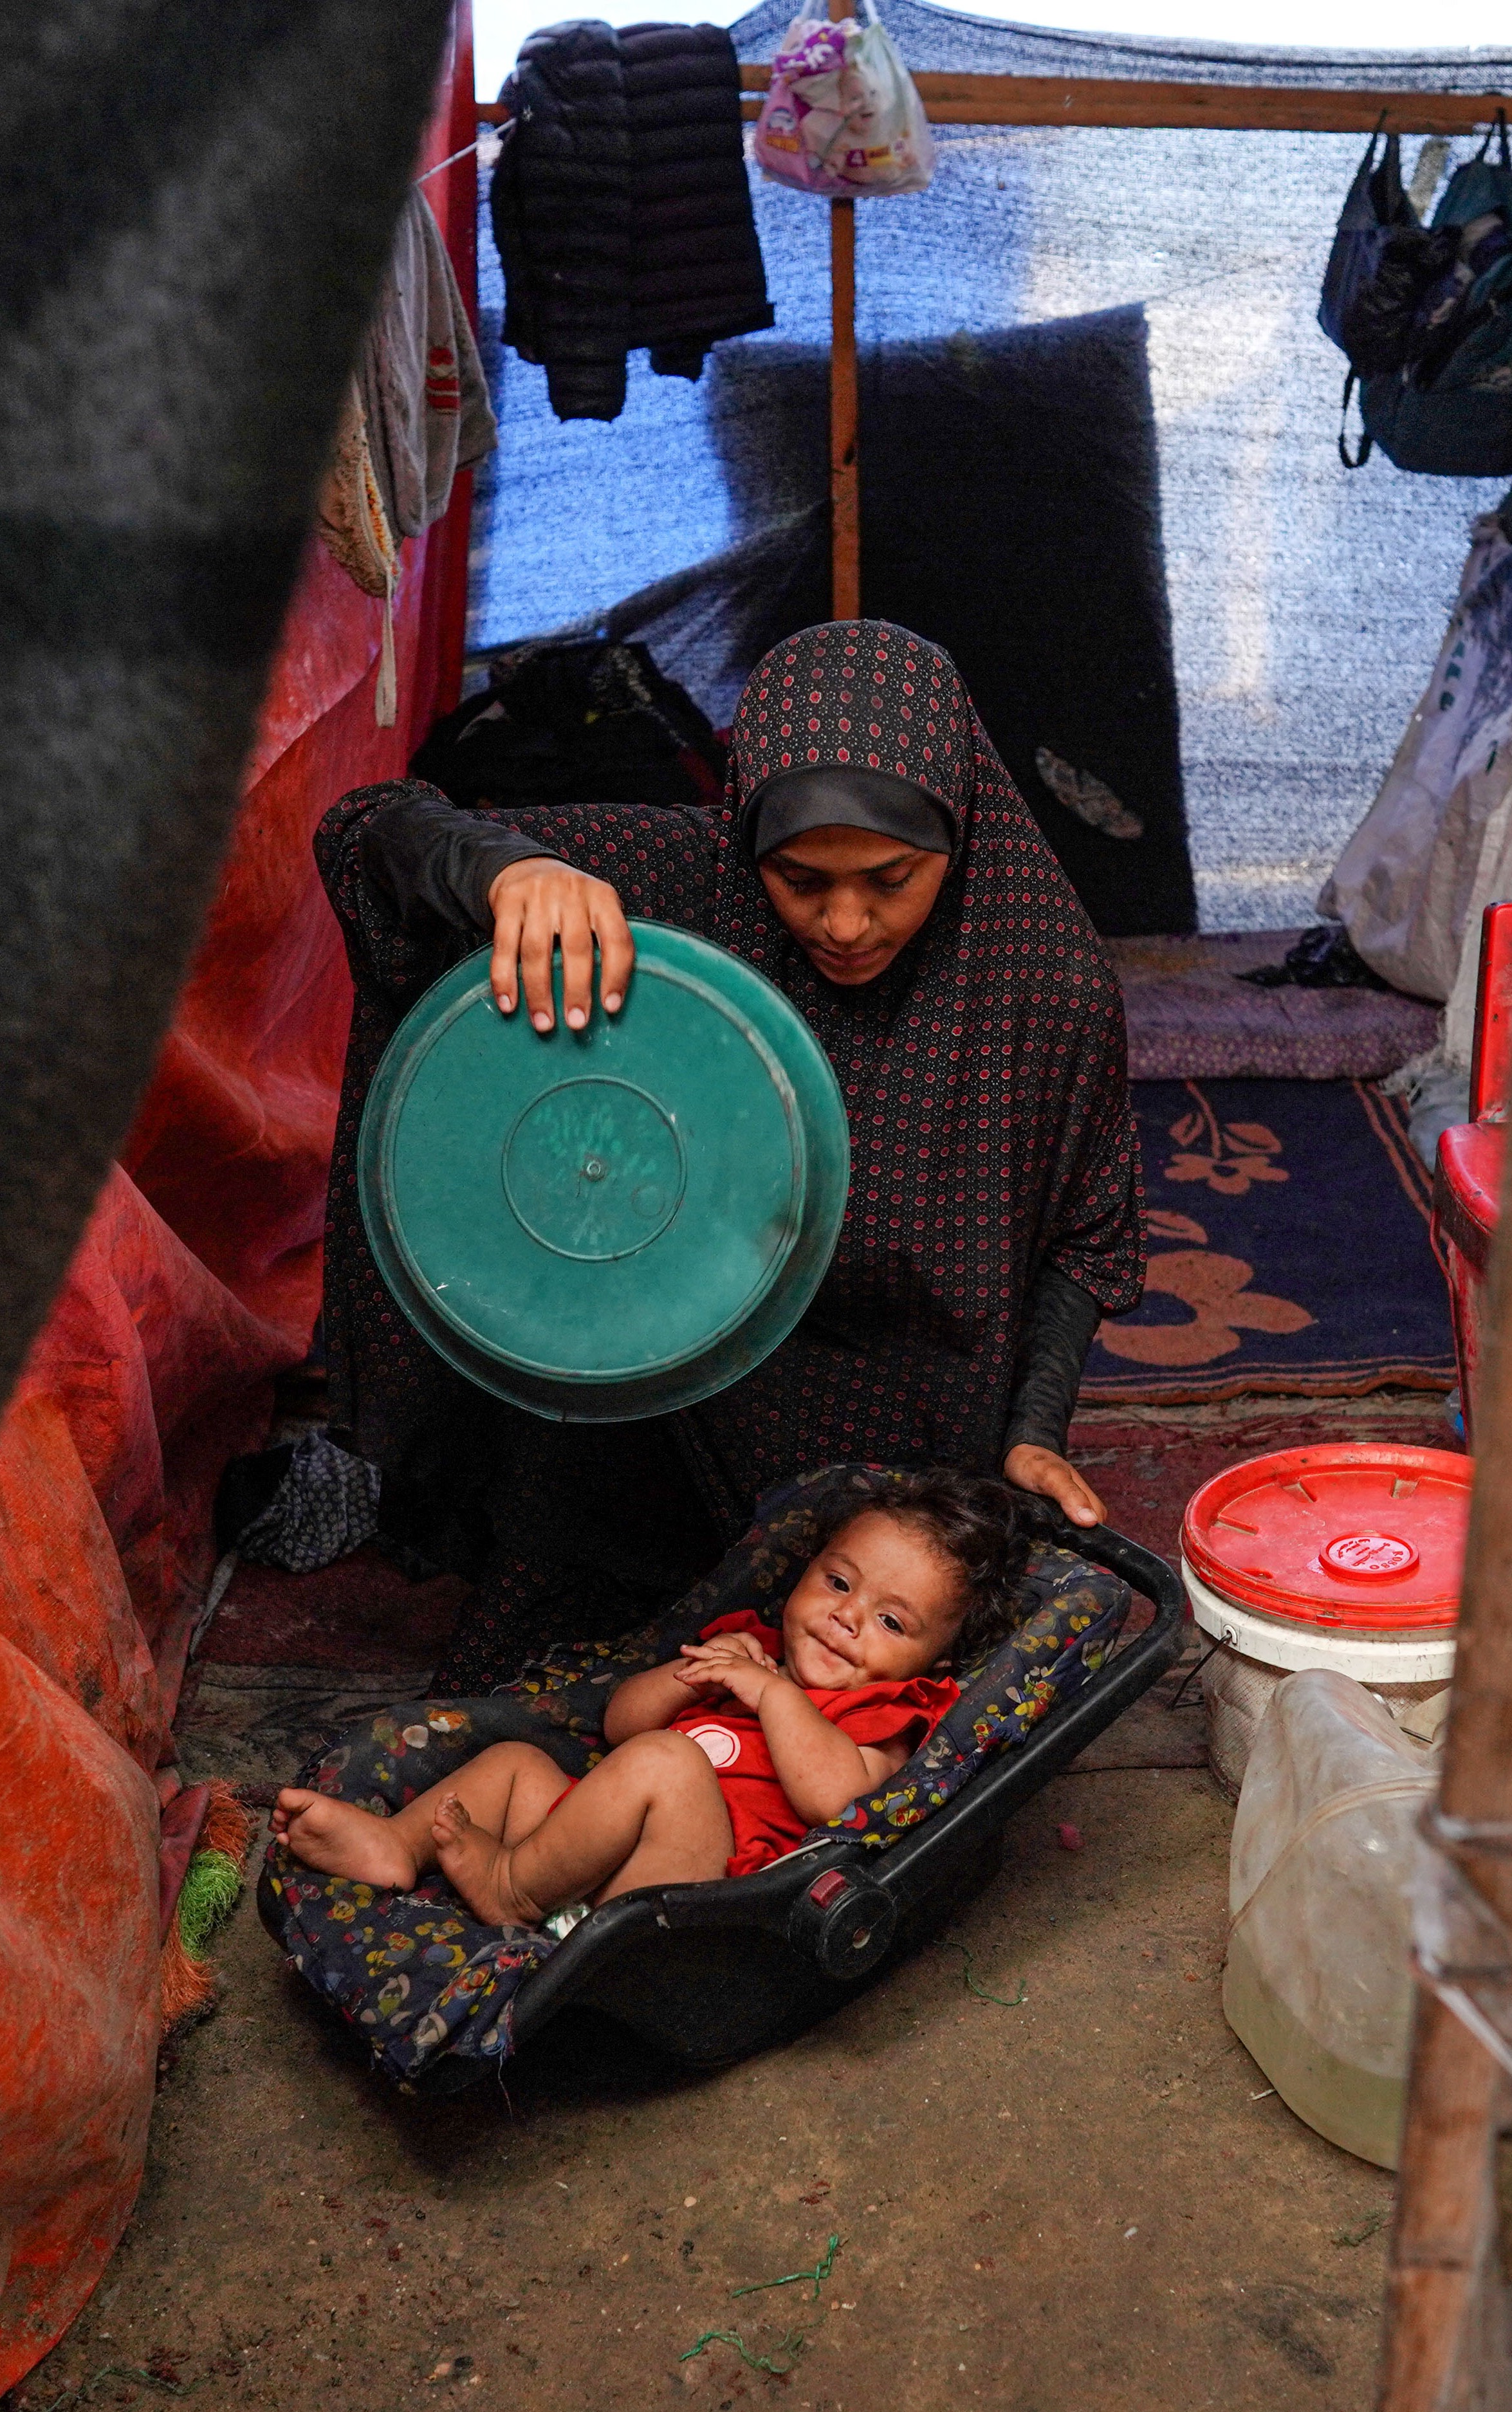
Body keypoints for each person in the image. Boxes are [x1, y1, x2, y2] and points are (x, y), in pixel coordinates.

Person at [315, 620, 1141, 1688]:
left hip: (892, 1461)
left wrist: (1031, 1432)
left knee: (864, 1728)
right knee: (560, 1720)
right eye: (800, 880)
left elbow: (1083, 1235)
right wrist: (499, 871)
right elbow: (364, 829)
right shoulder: (684, 884)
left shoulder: (1044, 987)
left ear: (963, 831)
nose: (844, 923)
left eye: (890, 879)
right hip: (659, 1414)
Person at [270, 1472, 1028, 1922]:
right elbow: (618, 1723)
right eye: (837, 1581)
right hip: (591, 1844)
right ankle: (394, 1847)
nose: (845, 1616)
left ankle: (510, 1890)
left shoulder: (887, 1710)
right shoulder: (745, 1645)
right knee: (515, 1762)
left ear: (932, 1658)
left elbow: (836, 1800)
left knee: (667, 1762)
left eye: (890, 1621)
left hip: (699, 1891)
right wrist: (687, 1677)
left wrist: (771, 1697)